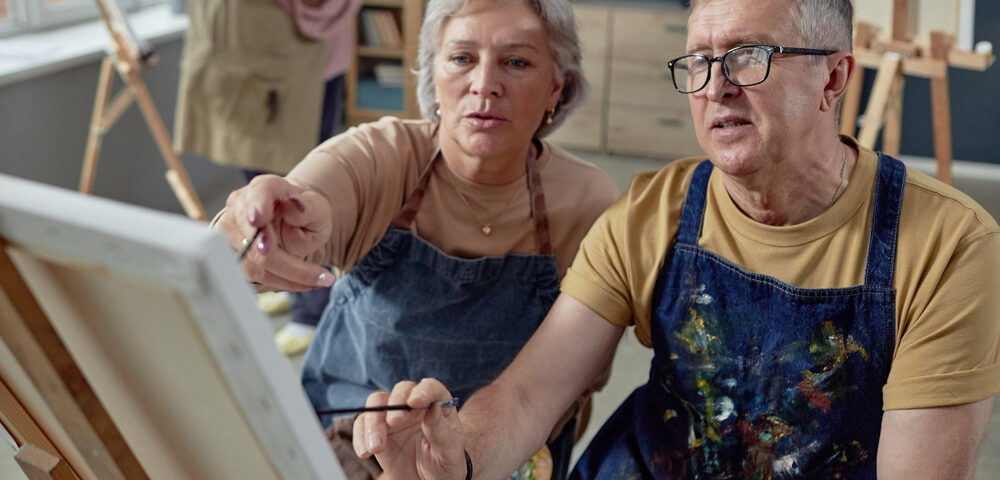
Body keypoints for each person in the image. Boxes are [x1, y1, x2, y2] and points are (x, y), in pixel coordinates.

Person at [353, 0, 1000, 478]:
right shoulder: (652, 213)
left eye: (748, 56)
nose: (716, 85)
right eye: (699, 60)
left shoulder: (949, 248)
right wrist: (456, 455)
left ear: (833, 79)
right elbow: (527, 395)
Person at [213, 0, 620, 476]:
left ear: (556, 88)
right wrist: (253, 228)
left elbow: (579, 376)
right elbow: (300, 201)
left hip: (507, 450)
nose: (484, 84)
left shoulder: (591, 203)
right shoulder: (379, 157)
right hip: (353, 432)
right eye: (462, 58)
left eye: (516, 61)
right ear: (433, 76)